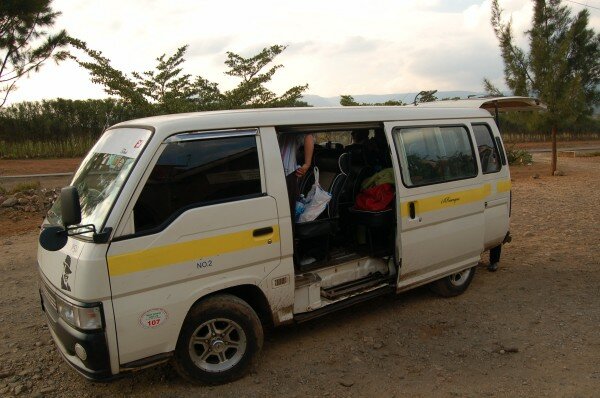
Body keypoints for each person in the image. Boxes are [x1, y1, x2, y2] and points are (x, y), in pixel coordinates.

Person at [278, 133, 314, 214]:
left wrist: (307, 164)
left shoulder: (293, 123)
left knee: (287, 211)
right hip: (281, 171)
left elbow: (308, 136)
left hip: (287, 172)